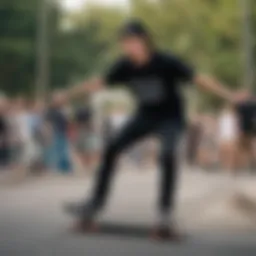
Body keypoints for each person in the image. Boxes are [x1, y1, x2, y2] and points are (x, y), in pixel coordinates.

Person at [65, 20, 241, 239]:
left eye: (134, 42)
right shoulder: (124, 66)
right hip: (144, 116)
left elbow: (199, 79)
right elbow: (99, 82)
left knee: (167, 154)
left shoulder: (166, 62)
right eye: (126, 43)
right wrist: (68, 94)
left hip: (171, 118)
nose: (131, 48)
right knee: (111, 147)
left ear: (145, 41)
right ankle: (95, 203)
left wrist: (229, 95)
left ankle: (164, 212)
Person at [218, 105, 239, 173]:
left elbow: (236, 128)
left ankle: (230, 167)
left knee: (231, 152)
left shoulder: (235, 118)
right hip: (224, 136)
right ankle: (225, 166)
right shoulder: (223, 118)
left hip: (231, 137)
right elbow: (220, 127)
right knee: (224, 152)